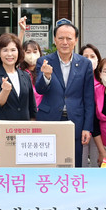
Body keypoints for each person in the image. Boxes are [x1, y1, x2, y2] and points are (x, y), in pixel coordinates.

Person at [35, 18, 95, 168]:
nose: (65, 42)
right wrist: (46, 76)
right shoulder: (44, 61)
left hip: (75, 120)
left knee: (73, 162)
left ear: (76, 40)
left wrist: (87, 127)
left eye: (69, 38)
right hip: (49, 119)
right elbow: (40, 89)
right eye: (61, 38)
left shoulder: (85, 64)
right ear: (55, 40)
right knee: (47, 162)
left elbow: (89, 98)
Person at [0, 33, 36, 129]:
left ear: (19, 52)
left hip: (24, 129)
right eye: (5, 50)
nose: (9, 54)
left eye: (13, 50)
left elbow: (32, 106)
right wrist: (5, 91)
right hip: (3, 130)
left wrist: (32, 127)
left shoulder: (26, 76)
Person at [80, 43, 103, 167]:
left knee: (97, 163)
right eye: (85, 57)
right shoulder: (76, 80)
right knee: (81, 163)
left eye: (92, 56)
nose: (89, 60)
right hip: (82, 127)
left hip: (100, 130)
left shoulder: (104, 80)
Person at [19, 39, 44, 108]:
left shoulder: (44, 71)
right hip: (26, 111)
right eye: (28, 52)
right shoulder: (19, 72)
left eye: (35, 52)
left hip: (43, 111)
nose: (32, 55)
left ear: (39, 53)